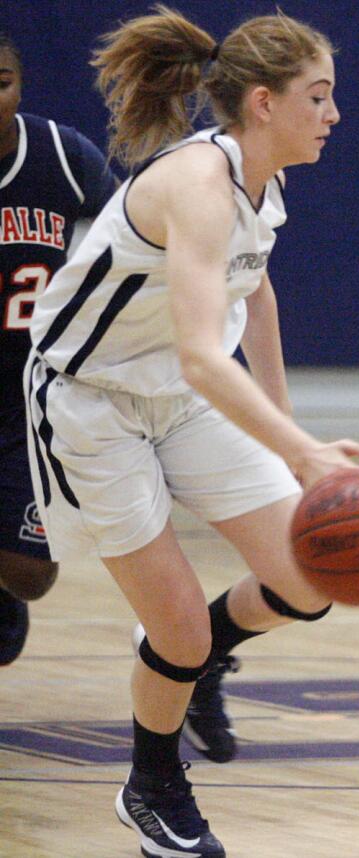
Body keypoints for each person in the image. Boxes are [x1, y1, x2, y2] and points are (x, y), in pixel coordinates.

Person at [25, 10, 359, 857]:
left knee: (311, 575)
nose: (333, 115)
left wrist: (292, 429)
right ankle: (152, 787)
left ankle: (195, 657)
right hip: (90, 401)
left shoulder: (265, 182)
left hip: (179, 396)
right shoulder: (198, 186)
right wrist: (299, 452)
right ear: (262, 102)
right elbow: (202, 357)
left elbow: (257, 298)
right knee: (177, 629)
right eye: (318, 97)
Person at [0, 32, 117, 665]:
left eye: (3, 83)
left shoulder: (63, 157)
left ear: (19, 85)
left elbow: (131, 235)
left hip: (28, 390)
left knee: (30, 573)